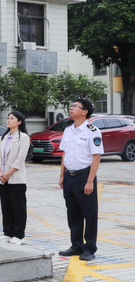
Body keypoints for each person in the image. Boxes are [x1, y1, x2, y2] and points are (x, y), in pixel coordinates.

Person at [58, 99, 103, 262]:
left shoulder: (93, 131)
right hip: (69, 176)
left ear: (84, 112)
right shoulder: (68, 130)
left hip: (85, 176)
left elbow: (96, 157)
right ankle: (76, 245)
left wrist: (90, 180)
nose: (71, 108)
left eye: (75, 106)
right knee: (73, 212)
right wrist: (62, 175)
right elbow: (64, 154)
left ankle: (89, 248)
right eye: (71, 106)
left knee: (89, 214)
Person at [0, 111, 31, 244]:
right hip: (2, 177)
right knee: (6, 206)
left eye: (12, 118)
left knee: (18, 207)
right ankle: (8, 232)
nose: (8, 120)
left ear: (19, 122)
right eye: (8, 118)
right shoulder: (4, 137)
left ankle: (19, 234)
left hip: (16, 178)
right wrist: (0, 172)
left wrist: (9, 173)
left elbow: (20, 159)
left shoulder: (24, 137)